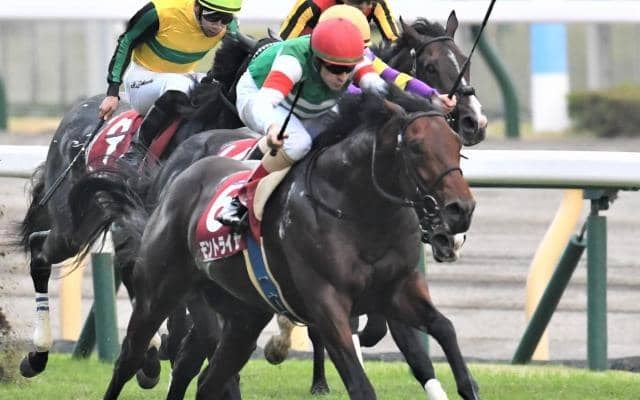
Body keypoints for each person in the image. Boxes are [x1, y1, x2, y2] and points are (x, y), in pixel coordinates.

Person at [217, 18, 387, 228]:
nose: (343, 77)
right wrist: (271, 127)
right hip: (259, 94)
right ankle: (240, 200)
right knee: (298, 143)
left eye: (348, 69)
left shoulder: (352, 56)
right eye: (335, 69)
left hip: (308, 103)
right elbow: (264, 102)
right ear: (317, 60)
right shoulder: (293, 60)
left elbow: (381, 90)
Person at [97, 0, 243, 165]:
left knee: (216, 90)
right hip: (142, 80)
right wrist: (112, 92)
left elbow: (233, 59)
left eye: (225, 19)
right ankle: (136, 151)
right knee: (180, 84)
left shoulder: (229, 27)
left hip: (183, 77)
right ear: (197, 7)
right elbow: (127, 41)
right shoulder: (160, 12)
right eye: (213, 17)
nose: (218, 26)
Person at [296, 4, 457, 112]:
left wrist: (432, 95)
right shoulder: (306, 59)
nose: (359, 53)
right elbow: (349, 92)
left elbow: (394, 77)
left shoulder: (363, 54)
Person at [280, 0, 400, 43]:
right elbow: (281, 45)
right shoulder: (311, 4)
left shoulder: (376, 3)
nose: (368, 7)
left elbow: (395, 42)